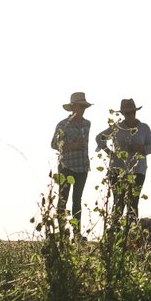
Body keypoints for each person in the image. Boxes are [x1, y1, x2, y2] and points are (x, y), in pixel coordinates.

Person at [96, 98, 151, 222]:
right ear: (123, 114)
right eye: (127, 113)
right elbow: (99, 138)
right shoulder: (117, 127)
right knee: (118, 202)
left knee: (133, 204)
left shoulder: (144, 128)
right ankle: (113, 233)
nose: (130, 115)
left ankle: (130, 236)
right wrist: (110, 153)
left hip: (138, 170)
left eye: (132, 112)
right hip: (118, 170)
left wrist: (141, 148)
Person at [51, 92, 92, 234]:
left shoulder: (87, 124)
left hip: (82, 166)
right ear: (73, 107)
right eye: (81, 106)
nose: (83, 109)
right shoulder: (63, 124)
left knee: (77, 200)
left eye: (84, 106)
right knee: (63, 200)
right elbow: (54, 144)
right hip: (67, 166)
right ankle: (62, 233)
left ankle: (76, 233)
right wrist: (73, 146)